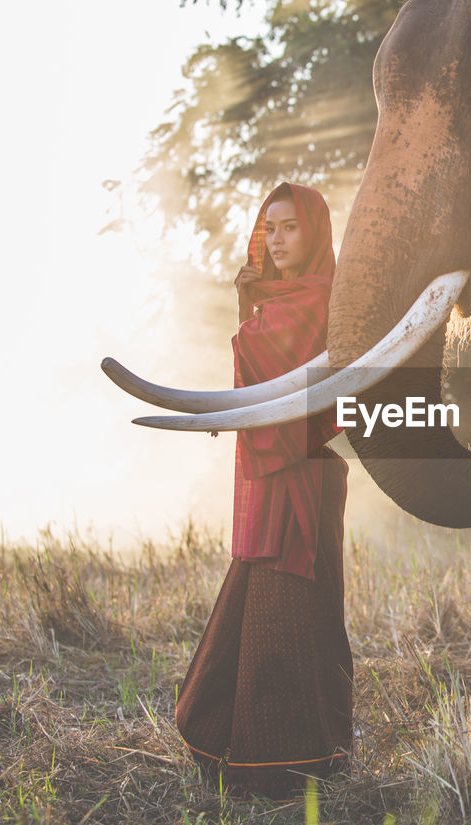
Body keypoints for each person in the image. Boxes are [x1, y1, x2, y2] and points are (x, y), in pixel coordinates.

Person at [175, 182, 352, 800]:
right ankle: (232, 739)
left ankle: (283, 760)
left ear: (316, 233)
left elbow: (278, 370)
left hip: (296, 471)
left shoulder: (322, 299)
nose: (276, 242)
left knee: (287, 601)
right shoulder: (273, 297)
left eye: (290, 229)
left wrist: (251, 318)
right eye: (268, 229)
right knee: (256, 588)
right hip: (267, 469)